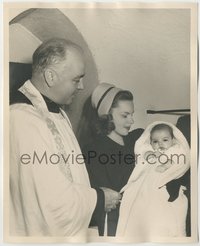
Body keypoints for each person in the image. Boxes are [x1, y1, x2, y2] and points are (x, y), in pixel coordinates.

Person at [9, 38, 121, 237]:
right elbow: (48, 203)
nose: (81, 87)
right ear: (51, 77)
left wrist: (93, 193)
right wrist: (99, 198)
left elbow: (64, 175)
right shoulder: (21, 118)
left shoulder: (57, 113)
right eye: (76, 80)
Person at [82, 83, 143, 236]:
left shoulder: (138, 139)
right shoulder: (94, 151)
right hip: (117, 225)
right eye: (125, 115)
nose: (131, 121)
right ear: (107, 115)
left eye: (132, 114)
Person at [116, 121, 190, 238]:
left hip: (163, 185)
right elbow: (142, 156)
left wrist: (165, 165)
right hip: (145, 184)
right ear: (150, 142)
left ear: (173, 140)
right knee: (138, 201)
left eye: (165, 140)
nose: (160, 144)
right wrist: (149, 154)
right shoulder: (150, 151)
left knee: (163, 208)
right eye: (155, 141)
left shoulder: (174, 151)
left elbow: (179, 163)